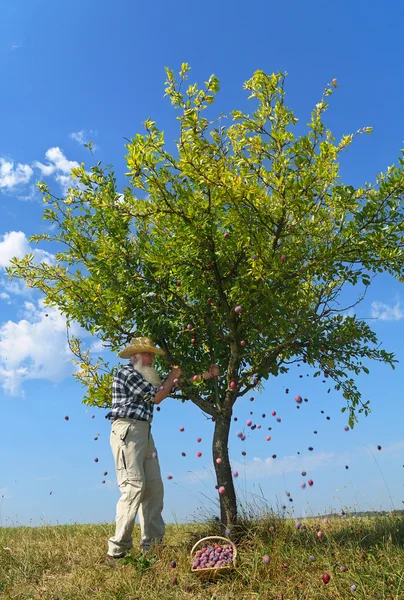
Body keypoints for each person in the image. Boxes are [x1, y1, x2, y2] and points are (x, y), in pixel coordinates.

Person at [104, 336, 219, 565]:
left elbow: (173, 386)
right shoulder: (127, 374)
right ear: (135, 356)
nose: (152, 359)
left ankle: (153, 546)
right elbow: (158, 396)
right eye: (148, 354)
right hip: (127, 430)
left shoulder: (144, 376)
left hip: (144, 432)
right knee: (133, 487)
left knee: (154, 487)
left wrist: (207, 375)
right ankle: (117, 551)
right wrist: (172, 376)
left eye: (153, 355)